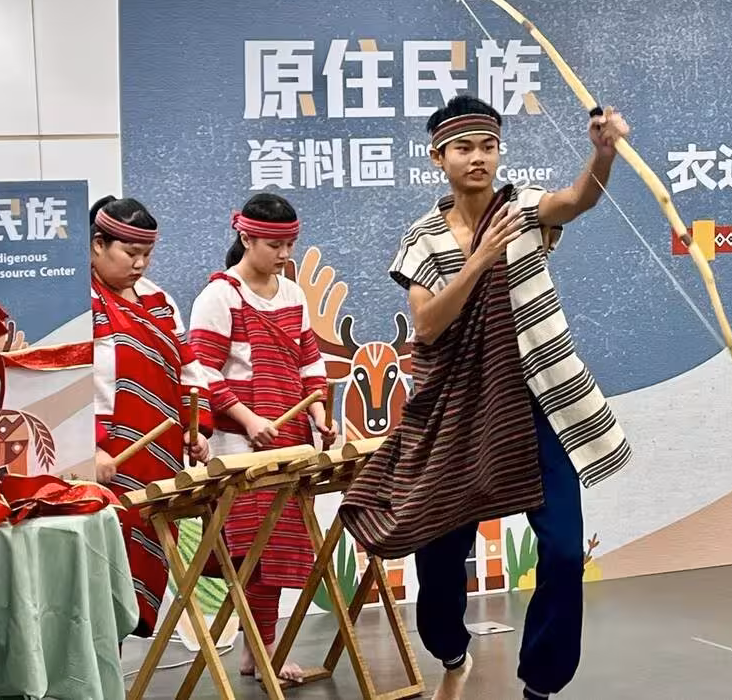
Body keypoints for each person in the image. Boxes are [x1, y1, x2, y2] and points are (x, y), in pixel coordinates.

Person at [339, 95, 634, 700]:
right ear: (438, 157)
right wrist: (478, 260)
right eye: (464, 147)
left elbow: (577, 199)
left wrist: (603, 153)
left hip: (540, 402)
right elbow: (426, 327)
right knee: (440, 551)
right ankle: (450, 649)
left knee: (562, 551)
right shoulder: (422, 240)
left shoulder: (522, 209)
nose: (478, 158)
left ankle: (541, 684)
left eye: (488, 146)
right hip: (462, 413)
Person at [188, 192, 338, 683]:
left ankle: (256, 651)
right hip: (239, 445)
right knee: (253, 551)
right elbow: (203, 373)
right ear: (246, 237)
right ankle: (266, 650)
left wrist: (319, 413)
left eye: (290, 244)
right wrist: (249, 419)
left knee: (276, 549)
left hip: (288, 440)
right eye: (275, 245)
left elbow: (310, 364)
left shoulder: (292, 294)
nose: (284, 254)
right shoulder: (219, 296)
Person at [89, 194, 213, 640]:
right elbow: (66, 387)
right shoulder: (78, 303)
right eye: (130, 253)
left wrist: (197, 429)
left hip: (158, 456)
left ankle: (118, 663)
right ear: (98, 245)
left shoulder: (159, 300)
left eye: (147, 254)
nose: (140, 264)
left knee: (146, 556)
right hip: (107, 460)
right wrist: (89, 448)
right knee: (102, 569)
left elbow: (189, 369)